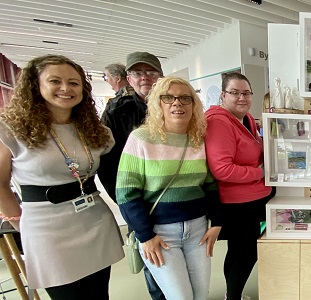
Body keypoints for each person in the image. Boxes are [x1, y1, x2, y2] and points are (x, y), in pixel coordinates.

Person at [0, 55, 123, 299]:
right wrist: (19, 223)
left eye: (74, 83)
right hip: (47, 229)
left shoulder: (97, 131)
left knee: (99, 294)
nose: (66, 89)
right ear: (36, 86)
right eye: (55, 81)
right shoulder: (11, 129)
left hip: (94, 221)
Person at [116, 76, 222, 299]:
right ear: (158, 103)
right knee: (180, 297)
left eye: (185, 98)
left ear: (194, 104)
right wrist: (145, 235)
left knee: (201, 295)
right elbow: (126, 194)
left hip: (198, 231)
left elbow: (211, 186)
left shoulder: (198, 140)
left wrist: (217, 223)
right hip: (160, 234)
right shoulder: (141, 138)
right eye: (169, 98)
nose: (177, 103)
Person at [98, 51, 165, 300]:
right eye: (138, 72)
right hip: (139, 199)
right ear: (128, 77)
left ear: (160, 76)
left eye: (150, 71)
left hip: (174, 197)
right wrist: (124, 201)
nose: (144, 77)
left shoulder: (175, 104)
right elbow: (107, 163)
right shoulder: (117, 110)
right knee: (152, 258)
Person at [204, 72, 275, 300]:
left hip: (252, 199)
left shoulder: (247, 120)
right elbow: (222, 169)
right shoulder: (219, 122)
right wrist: (260, 173)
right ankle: (233, 296)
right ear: (223, 95)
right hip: (237, 203)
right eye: (235, 93)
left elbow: (255, 151)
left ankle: (231, 295)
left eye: (246, 93)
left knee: (238, 251)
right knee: (246, 253)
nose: (241, 98)